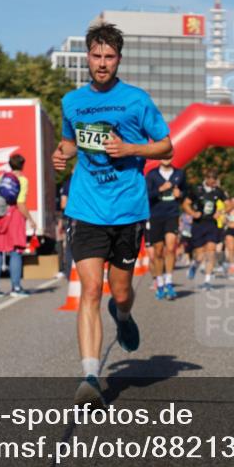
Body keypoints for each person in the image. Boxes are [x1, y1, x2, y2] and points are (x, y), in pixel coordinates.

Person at [52, 23, 173, 407]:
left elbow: (167, 146)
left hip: (126, 209)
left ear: (118, 60)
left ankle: (122, 315)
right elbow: (70, 143)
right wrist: (61, 155)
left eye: (109, 57)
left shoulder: (136, 100)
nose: (102, 64)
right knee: (89, 289)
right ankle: (90, 375)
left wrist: (131, 149)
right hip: (86, 207)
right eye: (96, 56)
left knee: (119, 291)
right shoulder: (71, 101)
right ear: (87, 57)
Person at [0, 153, 38, 298]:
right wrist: (30, 219)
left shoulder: (0, 178)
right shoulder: (22, 180)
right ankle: (16, 287)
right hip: (14, 217)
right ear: (23, 165)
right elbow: (20, 203)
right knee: (16, 251)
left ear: (10, 164)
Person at [145, 157, 187, 300]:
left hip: (172, 214)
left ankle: (169, 282)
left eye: (169, 155)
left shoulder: (179, 174)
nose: (166, 158)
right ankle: (160, 283)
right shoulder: (152, 175)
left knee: (170, 247)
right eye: (163, 155)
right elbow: (146, 195)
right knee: (158, 251)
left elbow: (185, 193)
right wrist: (160, 190)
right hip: (156, 215)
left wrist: (180, 194)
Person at [182, 170, 228, 290]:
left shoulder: (218, 191)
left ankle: (207, 281)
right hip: (198, 224)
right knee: (200, 255)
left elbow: (228, 203)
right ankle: (194, 265)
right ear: (206, 178)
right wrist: (192, 213)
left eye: (215, 179)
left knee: (211, 250)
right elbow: (186, 204)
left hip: (211, 224)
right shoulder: (196, 189)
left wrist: (220, 211)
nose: (213, 182)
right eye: (211, 179)